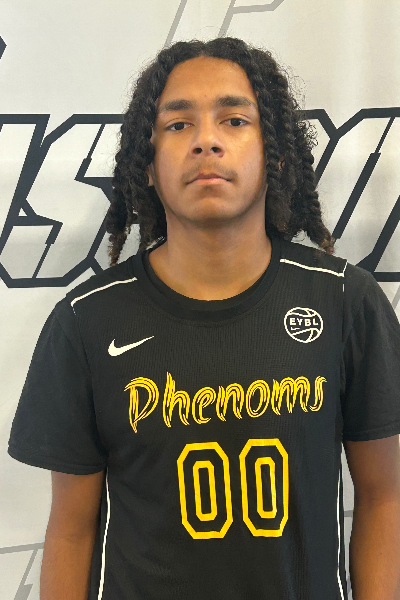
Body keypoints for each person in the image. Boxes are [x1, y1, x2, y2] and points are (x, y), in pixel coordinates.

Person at [8, 37, 400, 600]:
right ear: (147, 166)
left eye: (235, 120)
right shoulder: (87, 322)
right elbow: (72, 529)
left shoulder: (345, 302)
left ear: (275, 154)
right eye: (178, 125)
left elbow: (384, 496)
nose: (206, 141)